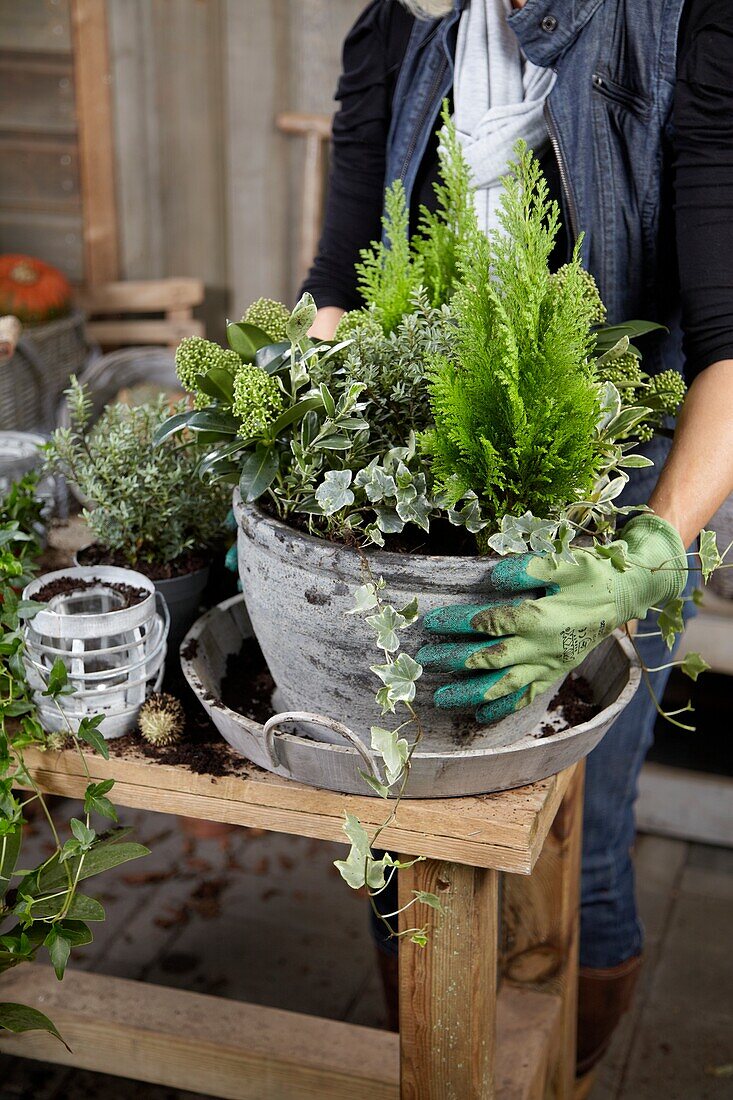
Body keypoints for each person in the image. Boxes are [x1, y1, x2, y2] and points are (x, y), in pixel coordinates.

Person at [302, 0, 733, 1079]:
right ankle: (436, 1061)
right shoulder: (401, 29)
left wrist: (642, 557)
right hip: (420, 472)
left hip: (612, 483)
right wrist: (281, 456)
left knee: (577, 827)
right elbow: (341, 282)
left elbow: (731, 343)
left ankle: (561, 1074)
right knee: (399, 812)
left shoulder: (692, 26)